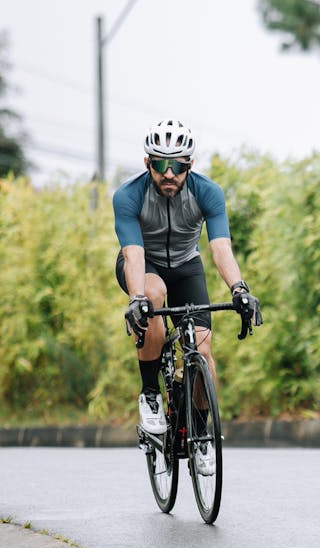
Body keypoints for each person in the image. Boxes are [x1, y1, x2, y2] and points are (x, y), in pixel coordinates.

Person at [114, 118, 261, 474]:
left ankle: (200, 434)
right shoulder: (128, 195)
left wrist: (239, 288)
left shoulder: (207, 192)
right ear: (147, 163)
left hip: (186, 266)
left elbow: (220, 248)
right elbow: (133, 253)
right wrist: (137, 298)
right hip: (143, 267)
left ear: (189, 165)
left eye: (177, 165)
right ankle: (150, 394)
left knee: (203, 349)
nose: (169, 174)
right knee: (154, 294)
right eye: (161, 165)